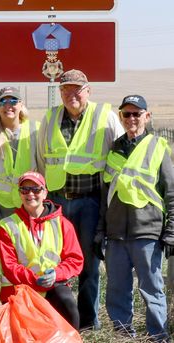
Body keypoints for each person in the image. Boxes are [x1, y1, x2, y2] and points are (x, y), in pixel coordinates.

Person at [36, 69, 124, 330]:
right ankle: (57, 321)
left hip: (90, 202)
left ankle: (87, 323)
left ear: (88, 91)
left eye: (77, 89)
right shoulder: (50, 118)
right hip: (56, 202)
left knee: (88, 263)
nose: (70, 94)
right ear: (59, 92)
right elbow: (42, 158)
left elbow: (118, 157)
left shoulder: (105, 116)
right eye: (65, 89)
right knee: (52, 260)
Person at [94, 95, 174, 341]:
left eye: (137, 114)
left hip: (147, 233)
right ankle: (122, 337)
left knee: (152, 290)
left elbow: (170, 192)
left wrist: (171, 231)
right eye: (126, 114)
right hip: (116, 234)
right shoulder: (114, 149)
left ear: (146, 117)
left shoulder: (157, 146)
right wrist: (100, 230)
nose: (131, 119)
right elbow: (106, 194)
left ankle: (157, 337)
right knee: (117, 291)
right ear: (121, 117)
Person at [0, 86, 39, 308]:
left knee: (20, 264)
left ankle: (20, 309)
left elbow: (42, 171)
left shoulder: (35, 131)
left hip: (23, 214)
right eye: (3, 102)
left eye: (13, 101)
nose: (8, 106)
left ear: (21, 105)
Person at [0, 171, 83, 329]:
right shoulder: (7, 226)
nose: (30, 194)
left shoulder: (63, 224)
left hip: (53, 285)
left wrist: (56, 274)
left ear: (45, 193)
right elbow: (9, 266)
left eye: (36, 189)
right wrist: (34, 280)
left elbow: (75, 260)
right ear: (20, 194)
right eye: (24, 190)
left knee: (68, 306)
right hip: (18, 289)